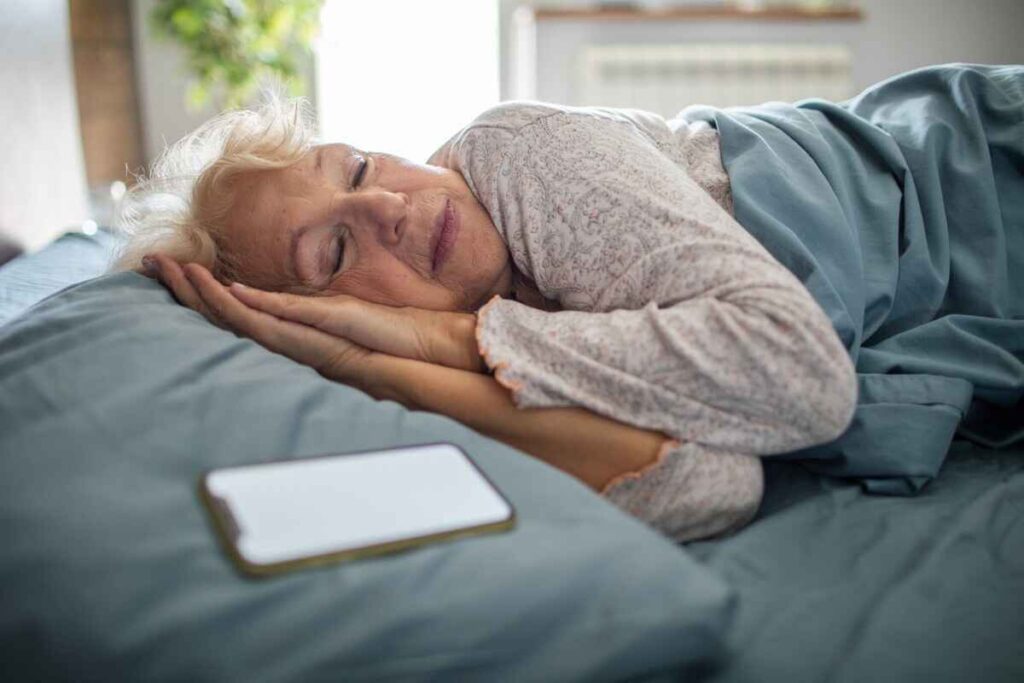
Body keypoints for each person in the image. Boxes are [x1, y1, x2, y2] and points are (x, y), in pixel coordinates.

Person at [122, 63, 1023, 543]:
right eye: (334, 250)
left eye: (356, 166)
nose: (389, 206)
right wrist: (388, 367)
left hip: (986, 172)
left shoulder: (517, 153)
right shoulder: (443, 347)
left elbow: (798, 377)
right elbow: (714, 481)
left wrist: (468, 336)